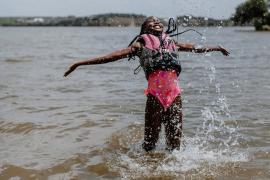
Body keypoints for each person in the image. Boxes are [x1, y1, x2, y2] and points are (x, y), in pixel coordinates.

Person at [64, 16, 229, 152]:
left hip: (175, 96)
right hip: (155, 97)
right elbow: (112, 56)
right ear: (145, 30)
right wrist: (80, 63)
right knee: (150, 144)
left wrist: (216, 48)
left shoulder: (172, 42)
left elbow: (195, 48)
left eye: (158, 21)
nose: (157, 22)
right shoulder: (140, 44)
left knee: (175, 146)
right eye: (152, 22)